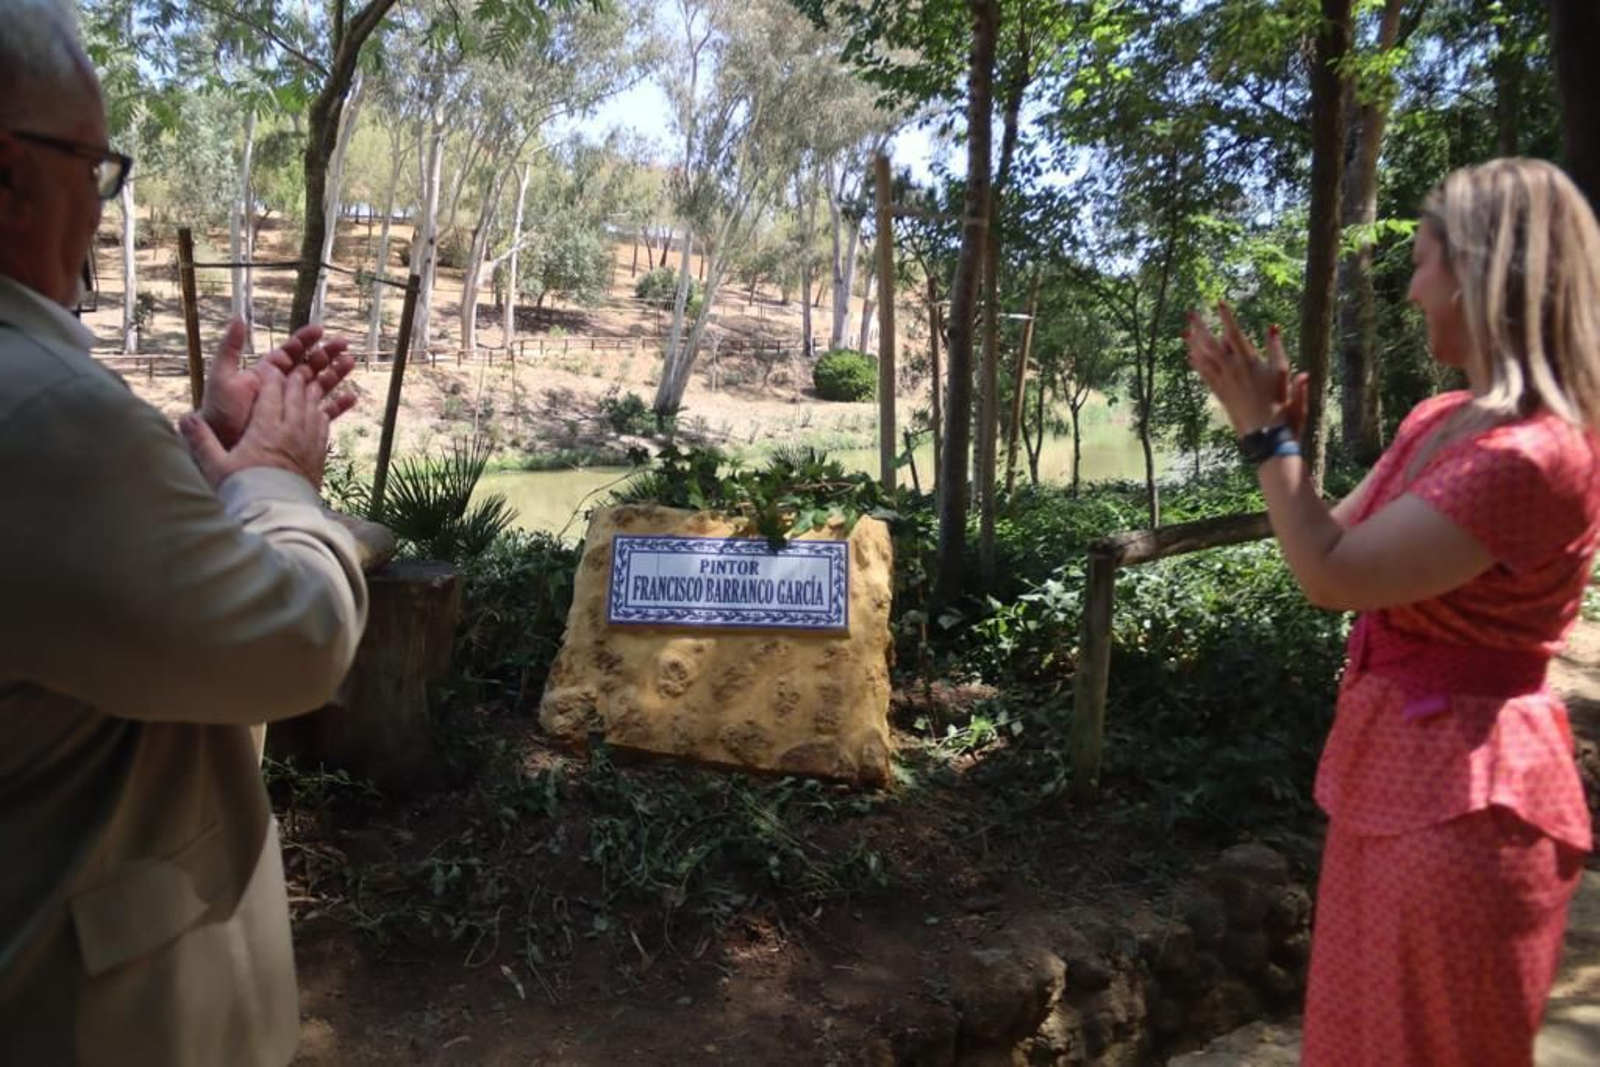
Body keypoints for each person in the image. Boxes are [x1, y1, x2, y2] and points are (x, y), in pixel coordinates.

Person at [0, 2, 369, 1064]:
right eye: (93, 164)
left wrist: (199, 462)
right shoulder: (39, 414)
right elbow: (297, 639)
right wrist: (281, 479)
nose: (102, 195)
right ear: (10, 176)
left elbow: (79, 592)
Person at [1186, 157, 1600, 1065]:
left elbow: (1329, 575)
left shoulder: (1534, 457)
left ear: (1483, 271)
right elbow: (1331, 537)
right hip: (1393, 788)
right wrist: (1279, 444)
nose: (1412, 290)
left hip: (1468, 808)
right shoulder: (1443, 418)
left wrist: (1266, 437)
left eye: (1422, 262)